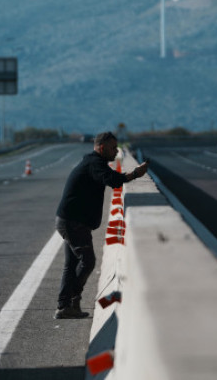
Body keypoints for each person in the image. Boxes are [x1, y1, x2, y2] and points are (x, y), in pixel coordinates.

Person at [54, 131, 149, 319]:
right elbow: (113, 180)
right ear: (102, 147)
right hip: (73, 222)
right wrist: (136, 174)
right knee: (87, 261)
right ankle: (70, 299)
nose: (116, 151)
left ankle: (65, 307)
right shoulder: (94, 163)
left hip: (70, 220)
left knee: (71, 264)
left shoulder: (94, 162)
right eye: (113, 148)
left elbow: (110, 177)